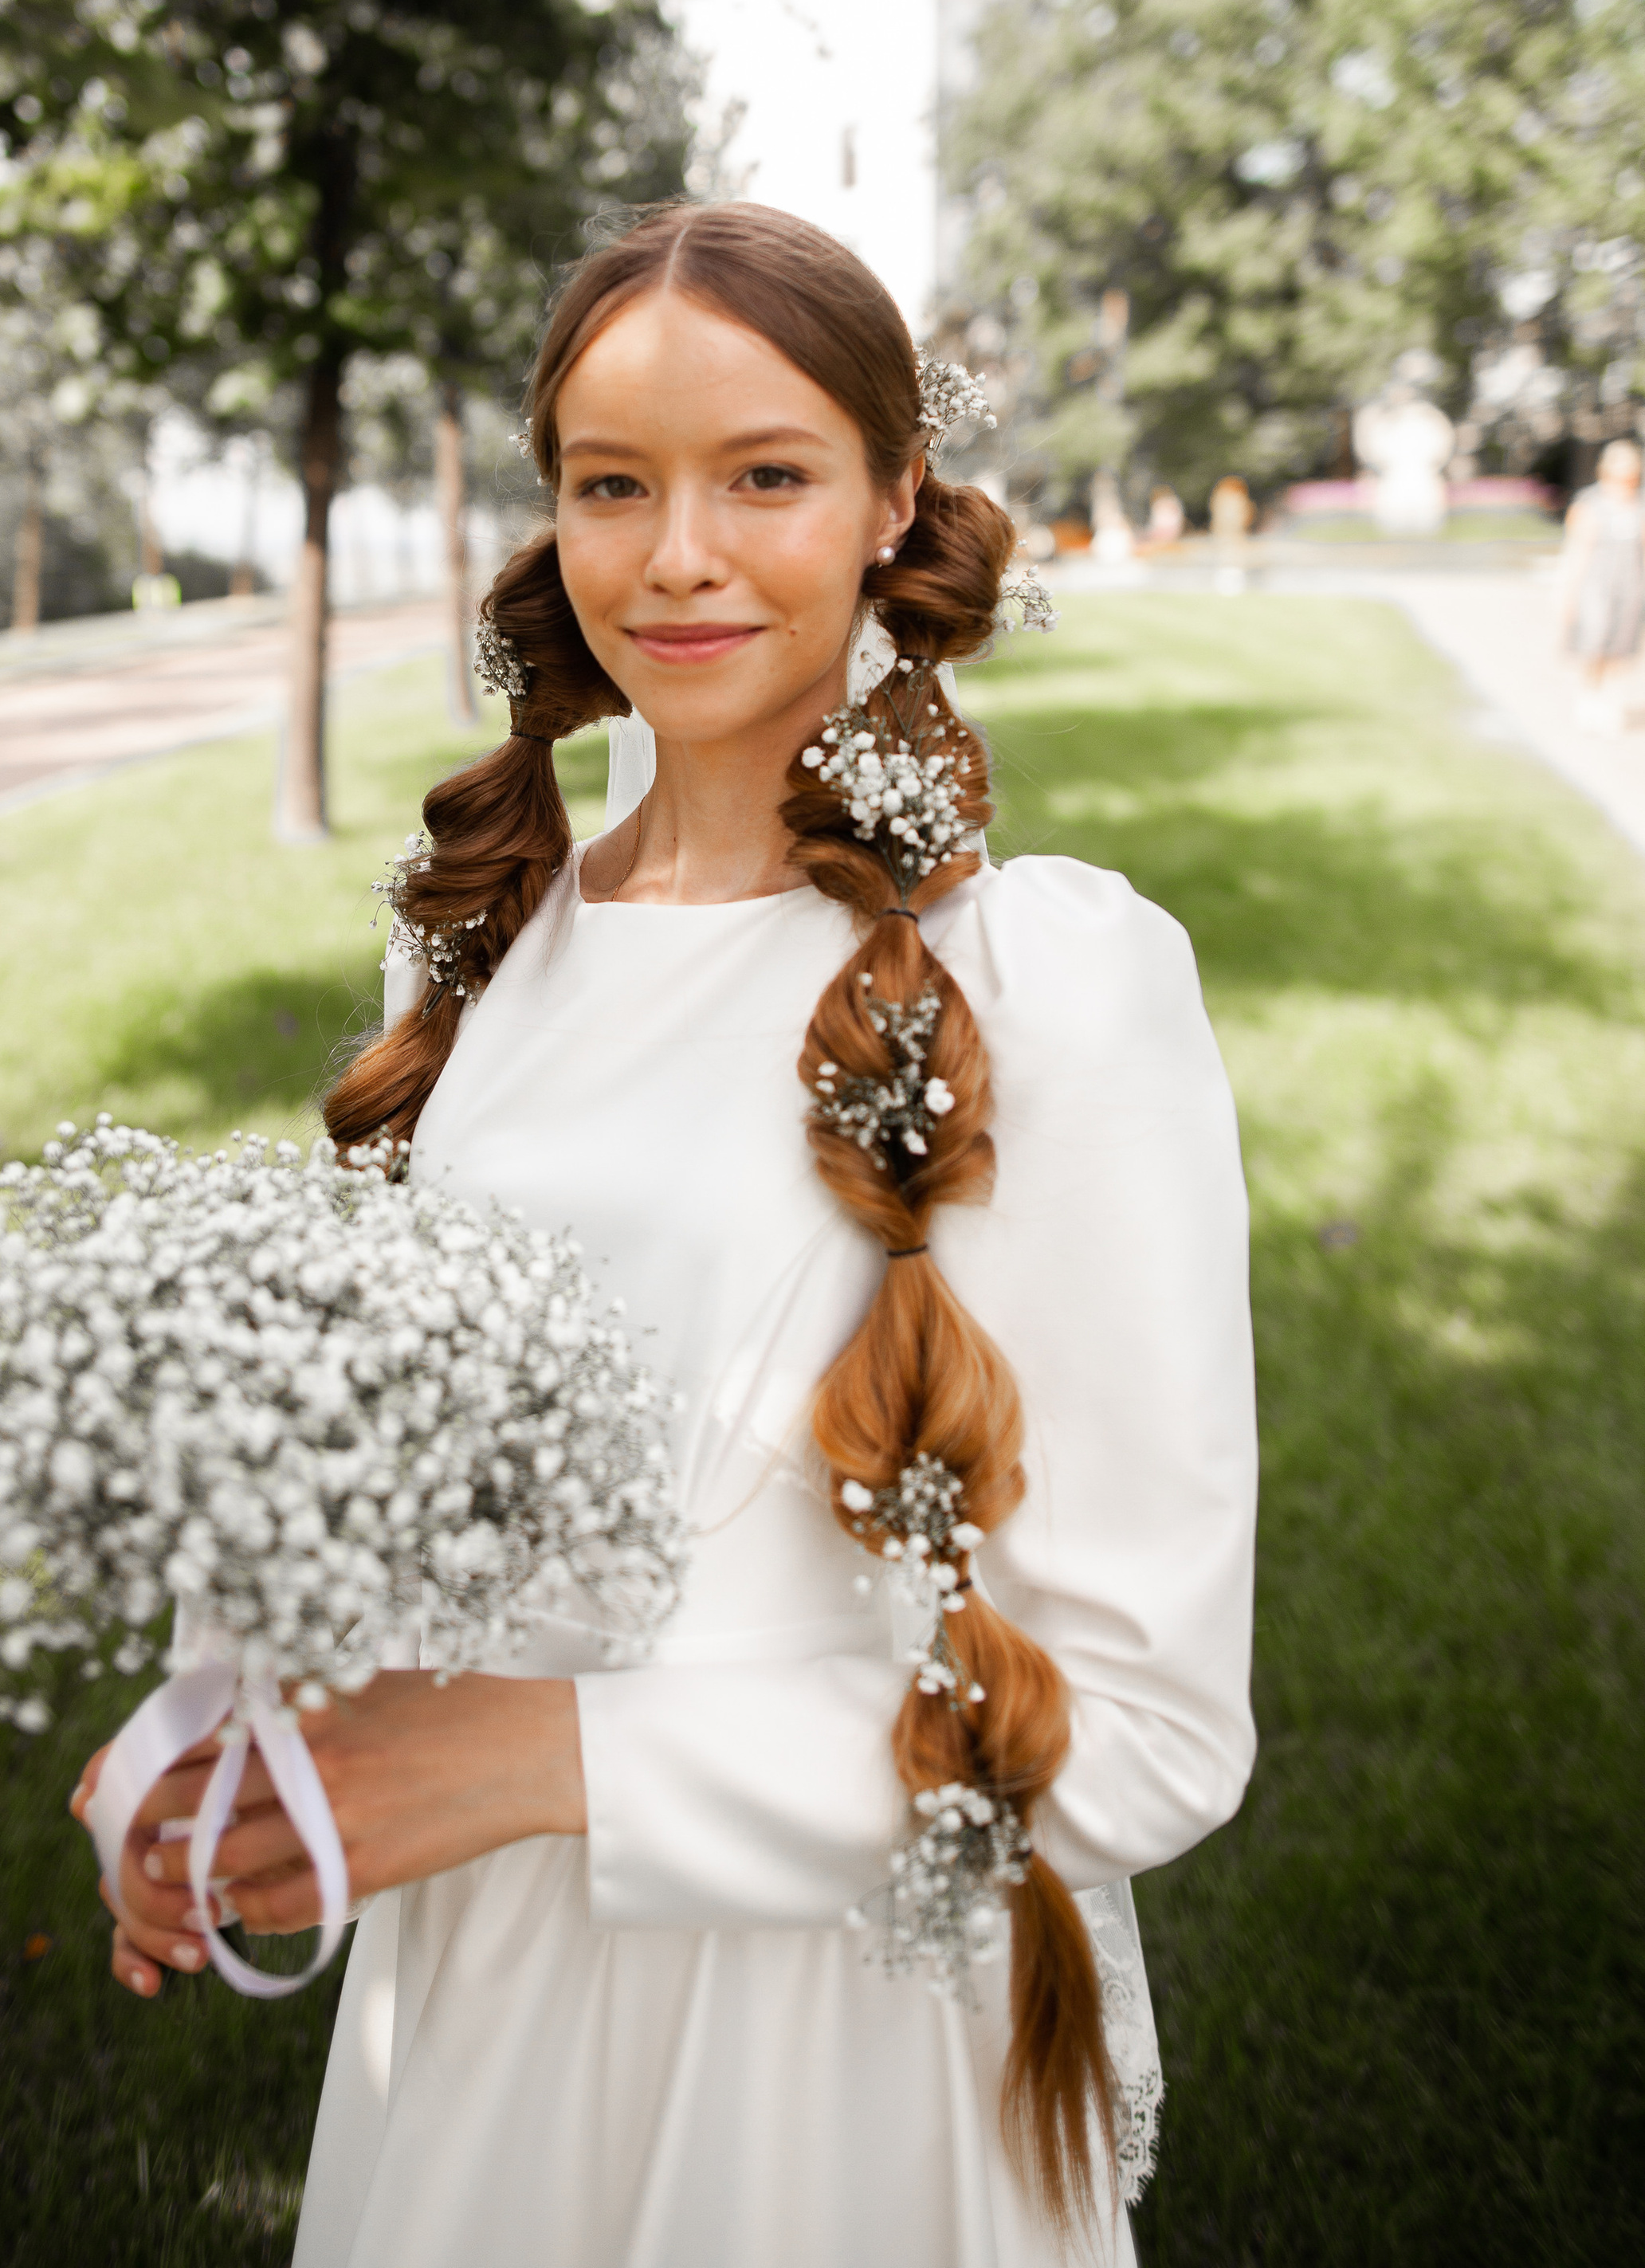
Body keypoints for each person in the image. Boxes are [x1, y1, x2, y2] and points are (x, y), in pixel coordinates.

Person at [76, 205, 1258, 2266]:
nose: (678, 557)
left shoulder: (1050, 977)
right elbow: (402, 1455)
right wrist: (221, 1727)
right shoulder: (476, 942)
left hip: (821, 2055)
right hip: (477, 2006)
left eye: (767, 476)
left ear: (898, 497)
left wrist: (552, 1759)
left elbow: (1146, 1730)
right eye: (612, 486)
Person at [1559, 436, 1645, 732]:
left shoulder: (1639, 504)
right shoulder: (1591, 503)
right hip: (1597, 584)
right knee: (1595, 642)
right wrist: (1569, 593)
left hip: (1630, 584)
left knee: (1621, 647)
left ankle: (1612, 702)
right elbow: (1578, 551)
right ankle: (1589, 699)